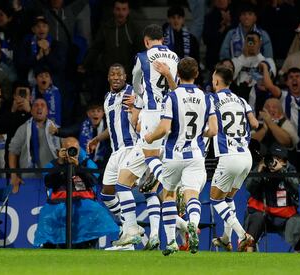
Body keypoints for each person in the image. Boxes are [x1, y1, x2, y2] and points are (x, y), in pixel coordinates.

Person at [144, 57, 218, 256]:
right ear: (196, 74)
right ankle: (193, 224)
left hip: (173, 154)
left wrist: (151, 136)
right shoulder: (206, 97)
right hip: (195, 154)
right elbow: (213, 130)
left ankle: (171, 242)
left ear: (178, 74)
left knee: (168, 195)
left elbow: (165, 128)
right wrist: (197, 133)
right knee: (191, 195)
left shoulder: (173, 96)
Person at [86, 64, 139, 245]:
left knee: (124, 187)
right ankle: (128, 224)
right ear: (108, 78)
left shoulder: (133, 93)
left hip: (132, 148)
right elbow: (112, 125)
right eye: (113, 74)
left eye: (119, 74)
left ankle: (131, 230)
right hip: (116, 151)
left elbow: (145, 115)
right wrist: (97, 139)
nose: (116, 77)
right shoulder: (107, 98)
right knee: (107, 194)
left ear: (125, 77)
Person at [34, 137, 119, 248]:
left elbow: (93, 181)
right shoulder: (53, 164)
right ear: (62, 150)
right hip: (58, 203)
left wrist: (78, 167)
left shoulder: (87, 163)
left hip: (84, 202)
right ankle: (50, 245)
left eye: (75, 149)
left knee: (95, 211)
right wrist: (60, 164)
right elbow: (48, 183)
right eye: (68, 149)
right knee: (47, 214)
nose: (72, 152)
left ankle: (88, 244)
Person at [209, 66, 258, 252]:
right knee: (228, 198)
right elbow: (254, 123)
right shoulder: (241, 100)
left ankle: (242, 235)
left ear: (216, 81)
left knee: (215, 199)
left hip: (229, 156)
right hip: (246, 156)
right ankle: (225, 238)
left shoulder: (212, 99)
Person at [132, 24, 179, 188]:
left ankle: (164, 180)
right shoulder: (175, 57)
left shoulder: (142, 56)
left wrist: (140, 95)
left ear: (146, 41)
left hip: (152, 111)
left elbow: (135, 83)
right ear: (163, 40)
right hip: (170, 113)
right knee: (165, 156)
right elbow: (176, 88)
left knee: (149, 156)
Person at [244, 144, 300, 252]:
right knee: (255, 217)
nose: (273, 163)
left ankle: (298, 253)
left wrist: (282, 171)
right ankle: (248, 251)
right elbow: (249, 187)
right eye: (272, 158)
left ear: (284, 161)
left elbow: (296, 186)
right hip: (264, 215)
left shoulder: (290, 169)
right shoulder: (262, 168)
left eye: (278, 159)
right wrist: (259, 170)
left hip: (285, 217)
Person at [263, 67, 300, 172]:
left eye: (297, 76)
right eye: (291, 77)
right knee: (291, 181)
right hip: (289, 149)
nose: (294, 79)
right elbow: (269, 86)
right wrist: (264, 66)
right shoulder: (284, 96)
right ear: (287, 82)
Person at [82, 0, 142, 99]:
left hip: (128, 75)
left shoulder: (134, 28)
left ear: (128, 11)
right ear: (113, 10)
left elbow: (140, 51)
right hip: (107, 74)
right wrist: (85, 64)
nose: (121, 13)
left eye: (124, 9)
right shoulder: (105, 27)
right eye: (118, 9)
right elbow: (96, 48)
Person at [8, 98, 61, 193]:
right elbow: (12, 151)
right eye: (36, 105)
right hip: (28, 179)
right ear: (31, 111)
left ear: (47, 111)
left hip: (52, 179)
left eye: (42, 105)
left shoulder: (57, 130)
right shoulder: (23, 129)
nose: (39, 107)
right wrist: (13, 175)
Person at [231, 30, 276, 113]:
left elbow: (270, 78)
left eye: (254, 41)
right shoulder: (236, 61)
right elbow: (230, 77)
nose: (251, 44)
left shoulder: (268, 61)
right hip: (239, 102)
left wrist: (257, 56)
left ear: (260, 43)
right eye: (248, 41)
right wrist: (244, 56)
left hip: (259, 102)